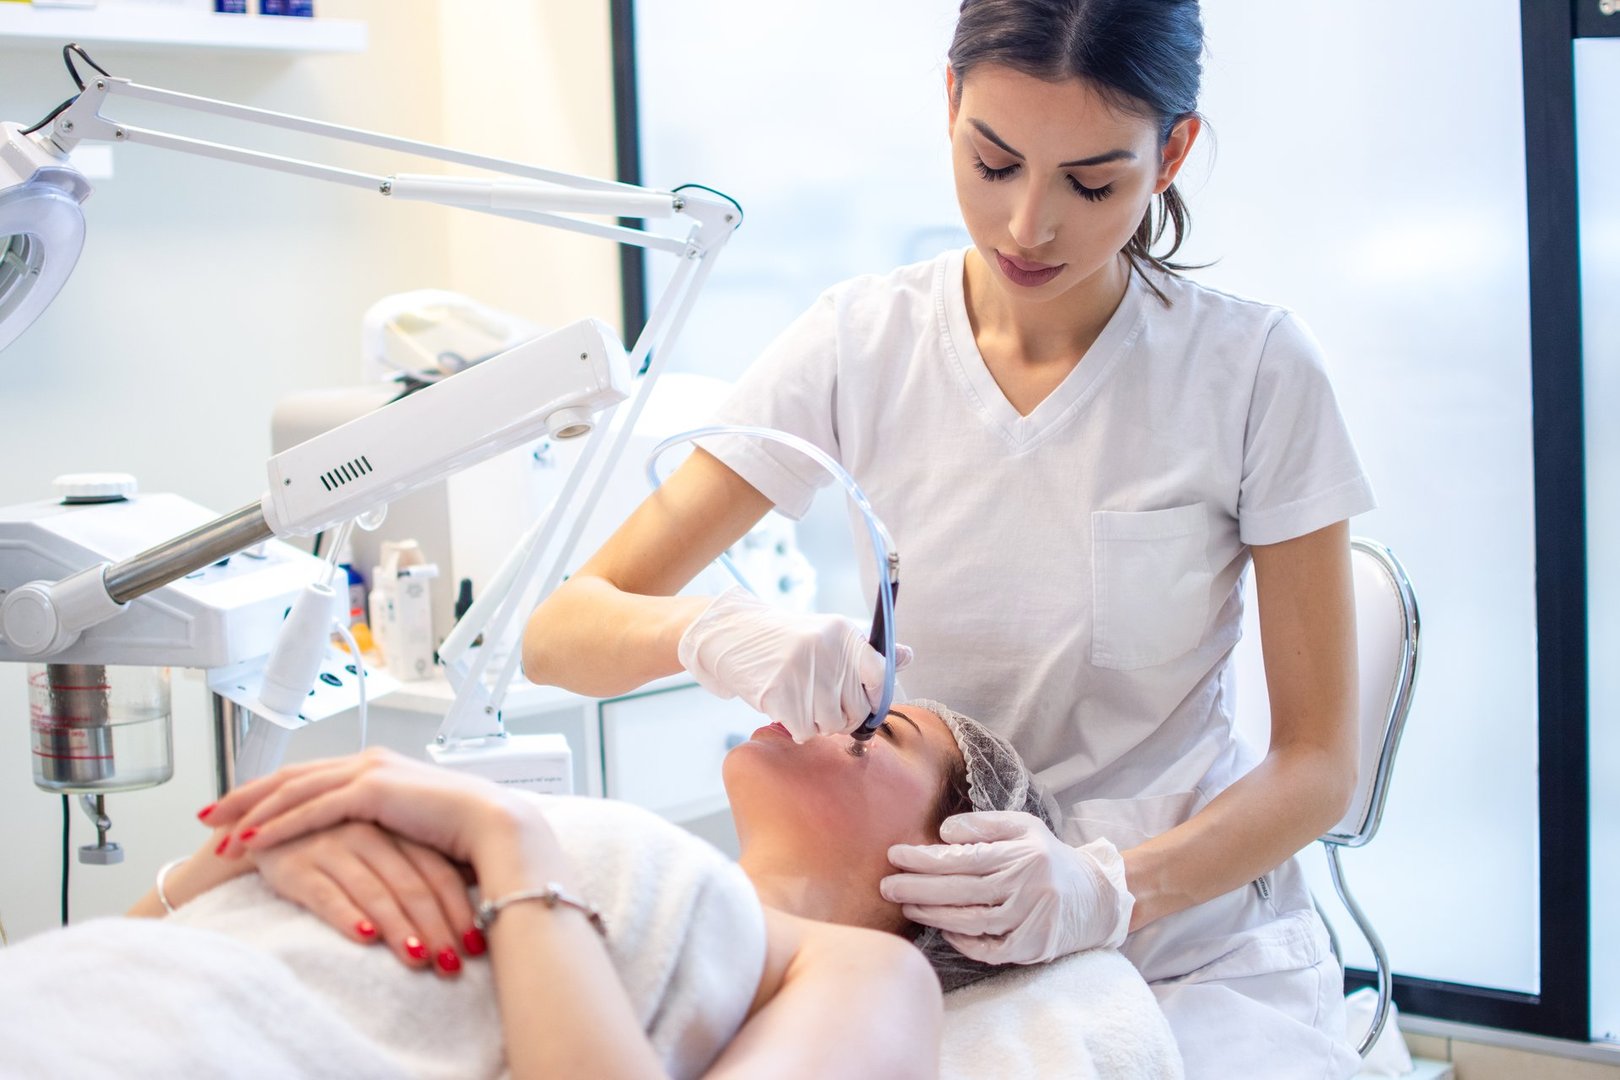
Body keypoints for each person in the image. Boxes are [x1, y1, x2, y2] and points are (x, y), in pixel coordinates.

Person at [521, 1, 1372, 1075]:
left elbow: (1317, 765)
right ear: (951, 102)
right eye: (995, 161)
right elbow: (558, 632)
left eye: (1090, 183)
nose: (1027, 226)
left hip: (1187, 954)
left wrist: (1111, 885)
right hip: (921, 949)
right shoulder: (859, 345)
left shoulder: (1252, 374)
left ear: (1174, 155)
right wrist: (709, 630)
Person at [0, 702, 1057, 1079]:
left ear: (952, 867)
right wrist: (236, 857)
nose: (824, 709)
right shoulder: (607, 840)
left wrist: (506, 843)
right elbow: (127, 961)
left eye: (882, 730)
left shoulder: (864, 971)